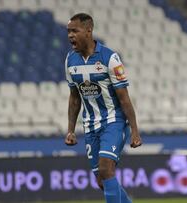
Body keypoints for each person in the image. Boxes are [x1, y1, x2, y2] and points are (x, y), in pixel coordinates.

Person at [64, 13, 142, 203]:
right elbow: (74, 98)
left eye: (75, 31)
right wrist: (71, 130)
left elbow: (124, 99)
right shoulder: (70, 61)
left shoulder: (110, 58)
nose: (70, 36)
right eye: (69, 32)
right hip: (90, 126)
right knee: (102, 181)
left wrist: (134, 131)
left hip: (112, 121)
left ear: (88, 31)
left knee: (106, 169)